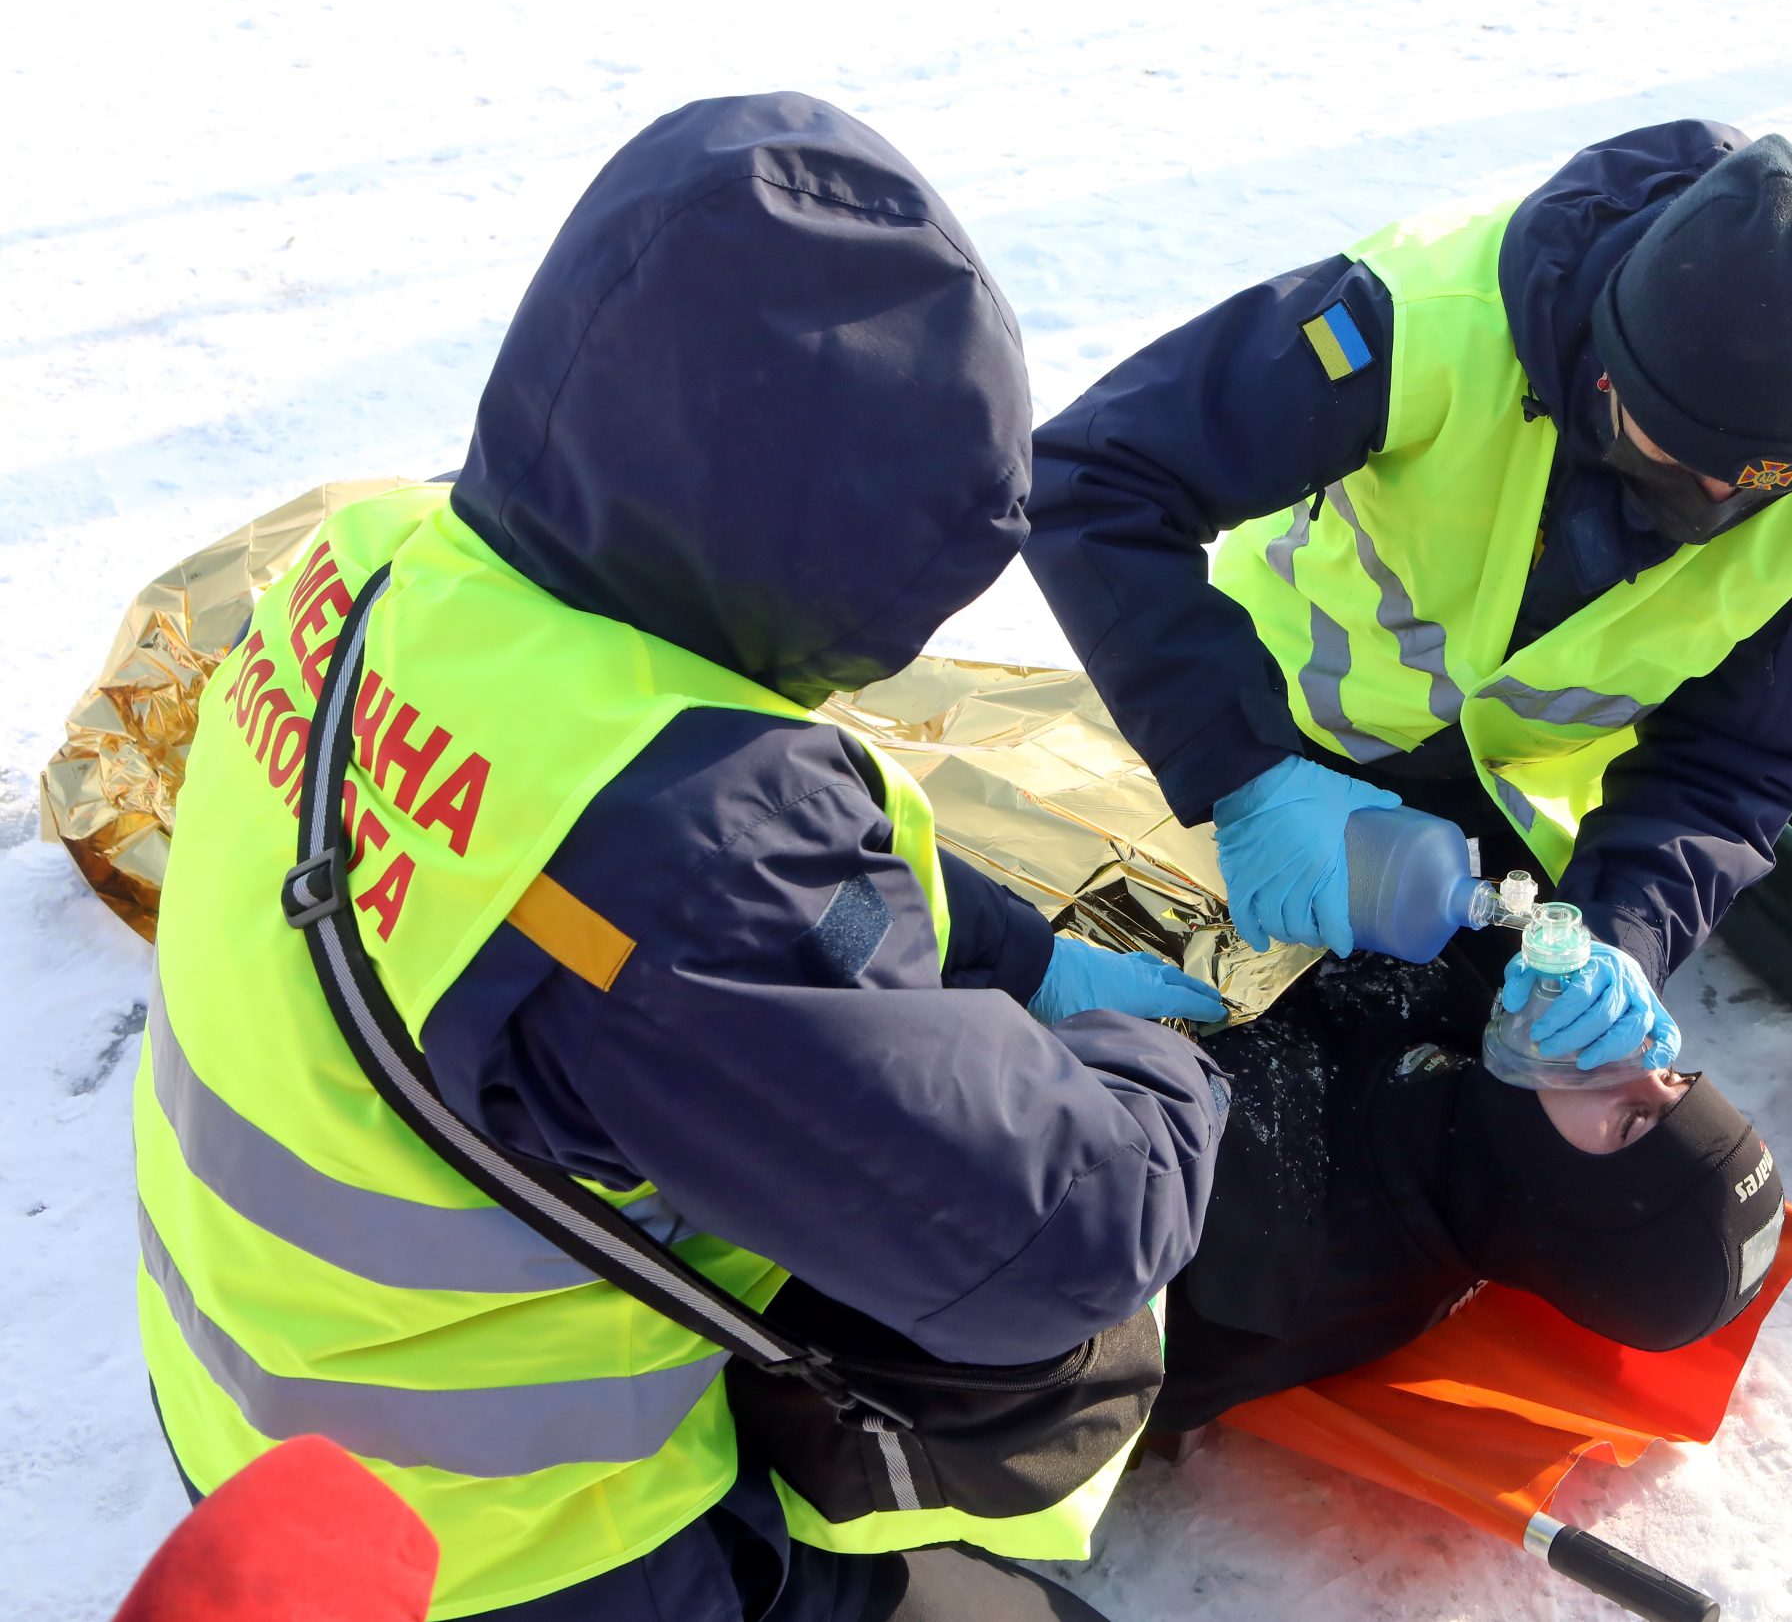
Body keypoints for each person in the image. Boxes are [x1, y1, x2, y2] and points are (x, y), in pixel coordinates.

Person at [135, 94, 1230, 1622]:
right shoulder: (676, 849)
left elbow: (685, 906)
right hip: (509, 1545)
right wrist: (1158, 1066)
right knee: (1047, 1329)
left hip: (264, 1430)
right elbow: (1060, 1230)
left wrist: (1017, 954)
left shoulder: (384, 554)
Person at [1026, 120, 1792, 1072]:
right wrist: (1240, 771)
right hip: (1272, 723)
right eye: (1687, 460)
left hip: (1508, 807)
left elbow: (1734, 762)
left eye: (1759, 488)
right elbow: (1089, 480)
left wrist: (1628, 930)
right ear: (1610, 368)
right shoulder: (1421, 319)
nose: (1717, 505)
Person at [1155, 950, 1786, 1432]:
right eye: (1673, 1074)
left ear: (1567, 1212)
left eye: (1634, 1121)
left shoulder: (1259, 1245)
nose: (1636, 1060)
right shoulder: (1489, 1058)